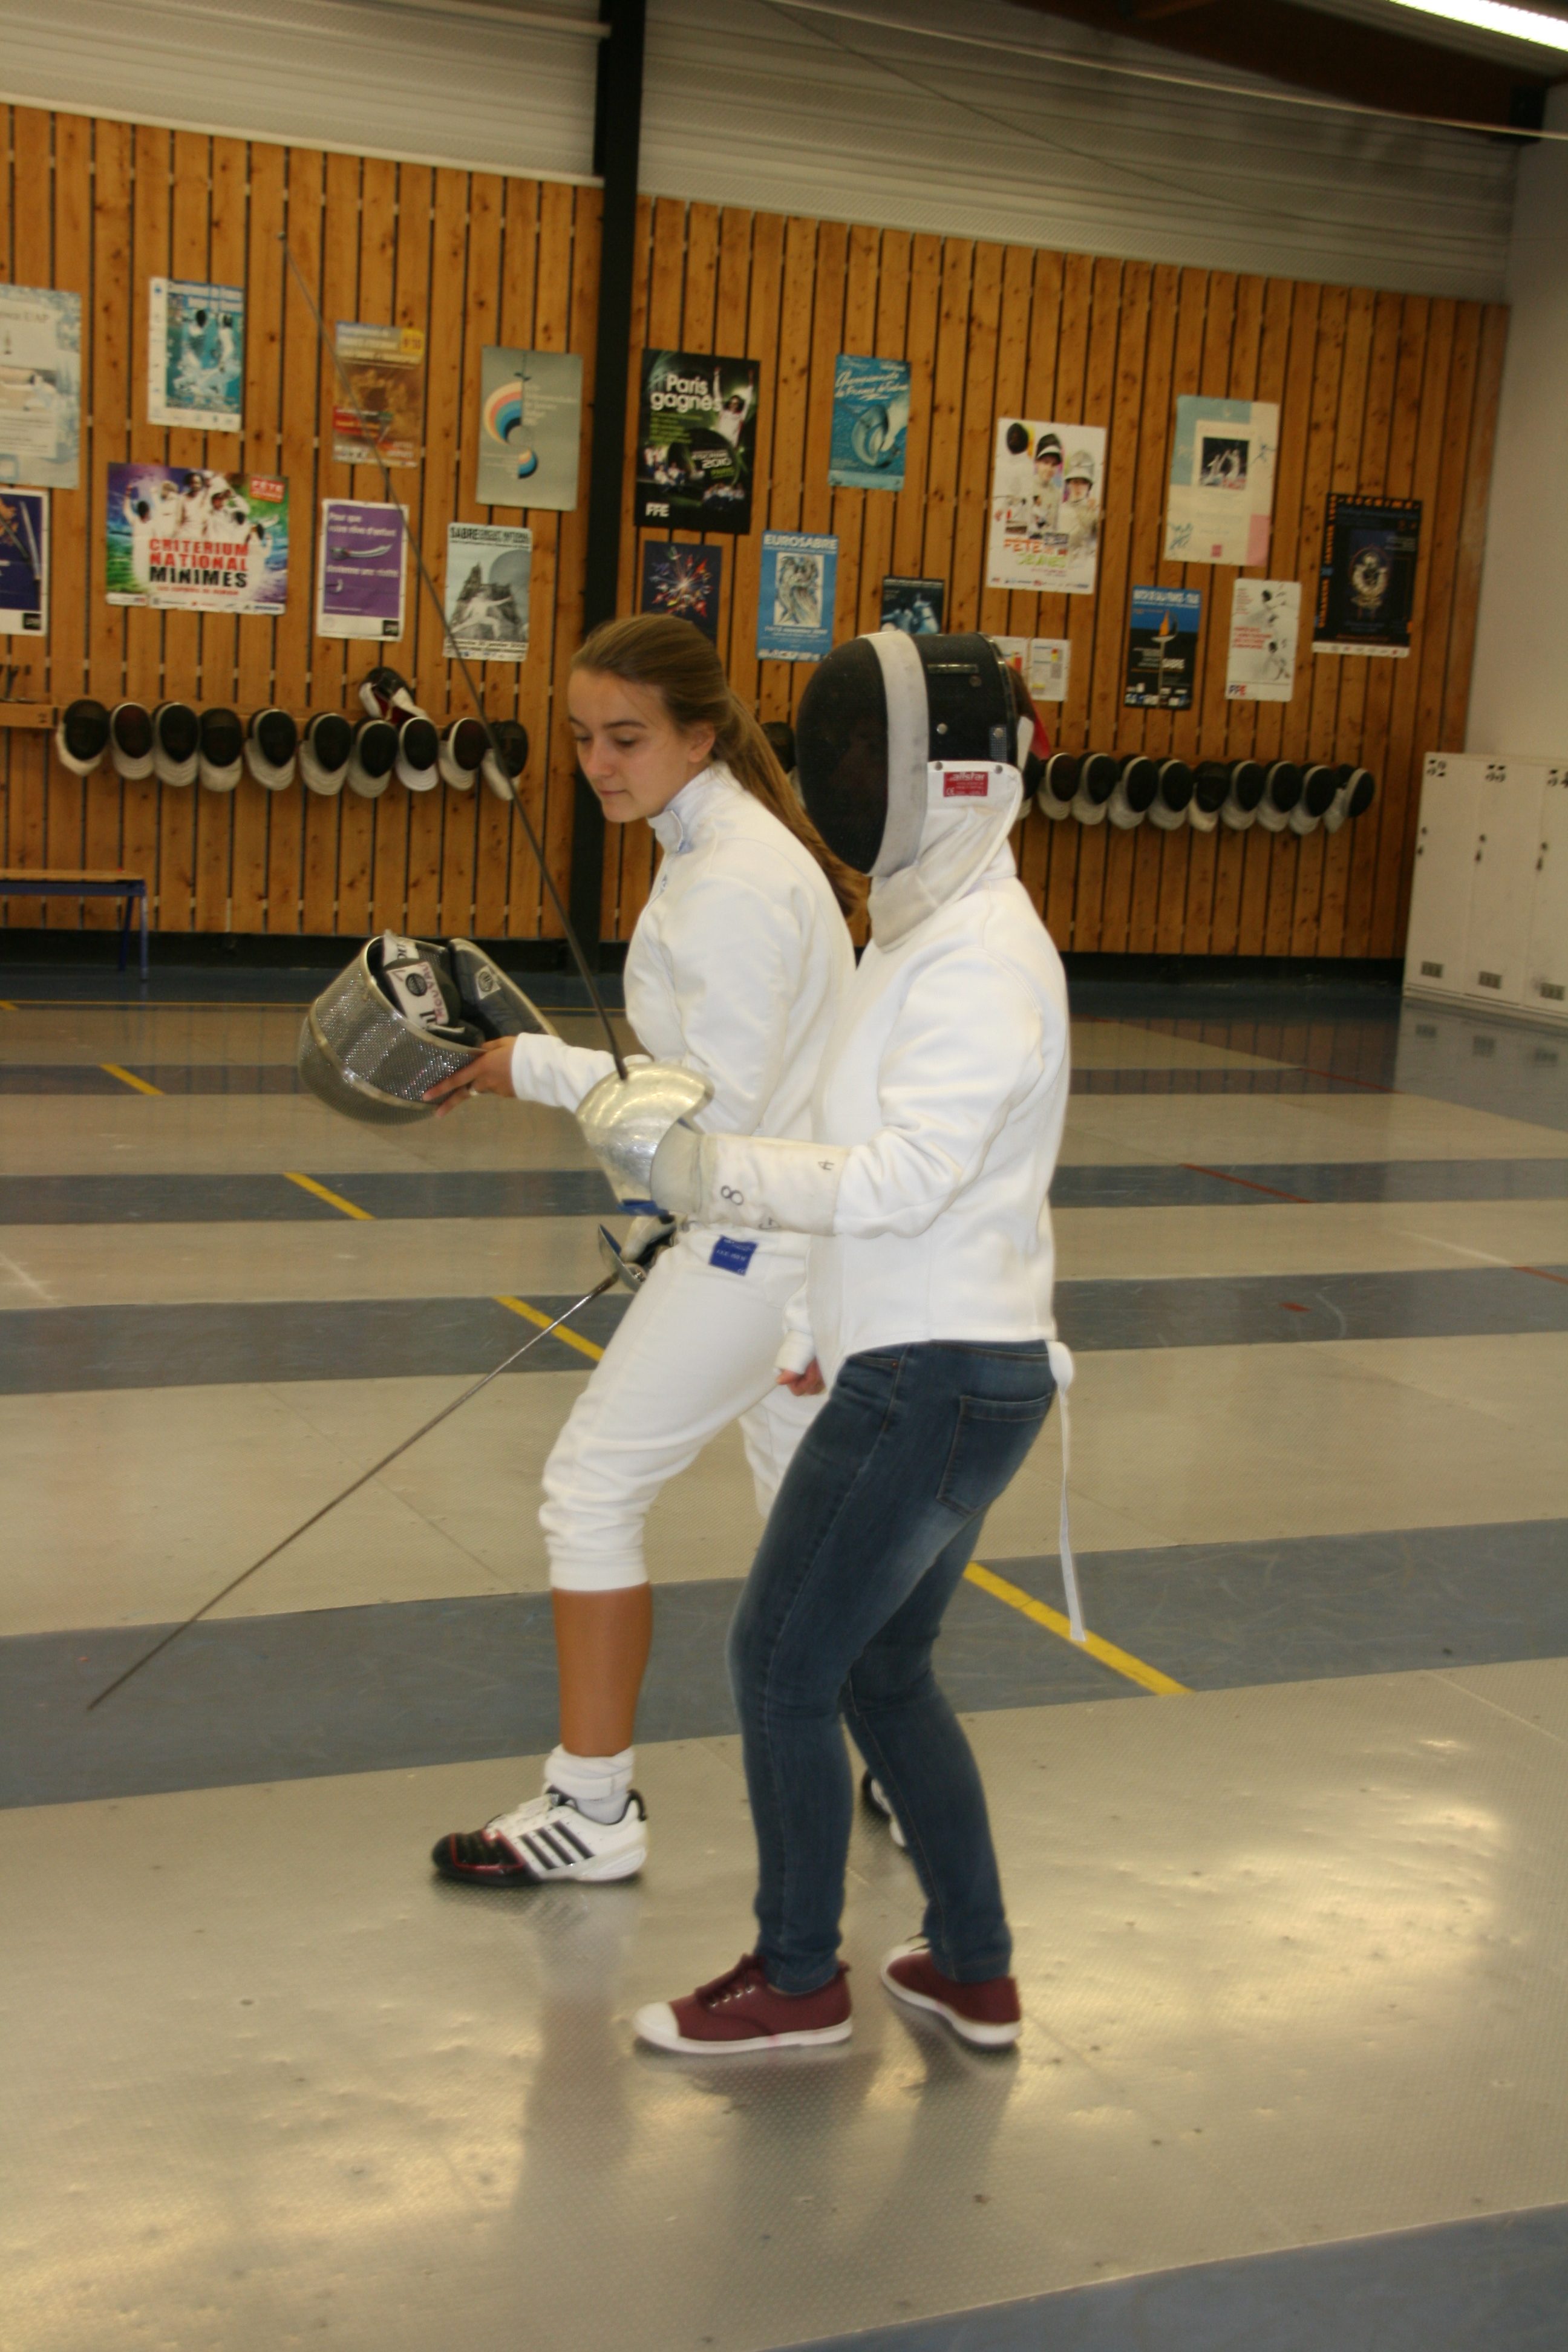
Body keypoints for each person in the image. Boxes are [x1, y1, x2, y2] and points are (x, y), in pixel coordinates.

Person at [575, 630, 1067, 2054]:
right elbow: (862, 1155)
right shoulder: (923, 936)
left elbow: (901, 1181)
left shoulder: (978, 959)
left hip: (936, 1376)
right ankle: (971, 1967)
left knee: (784, 1664)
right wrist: (805, 1320)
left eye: (871, 757)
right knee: (879, 1669)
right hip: (935, 1359)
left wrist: (698, 1174)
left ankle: (799, 1981)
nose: (848, 781)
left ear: (949, 779)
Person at [425, 615, 858, 1889]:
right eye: (580, 738)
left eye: (626, 739)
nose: (598, 764)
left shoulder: (728, 877)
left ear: (697, 736)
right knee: (805, 1522)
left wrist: (538, 1064)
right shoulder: (720, 845)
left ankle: (592, 1808)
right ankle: (873, 1747)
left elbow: (707, 1110)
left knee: (591, 1489)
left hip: (761, 1241)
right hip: (792, 1240)